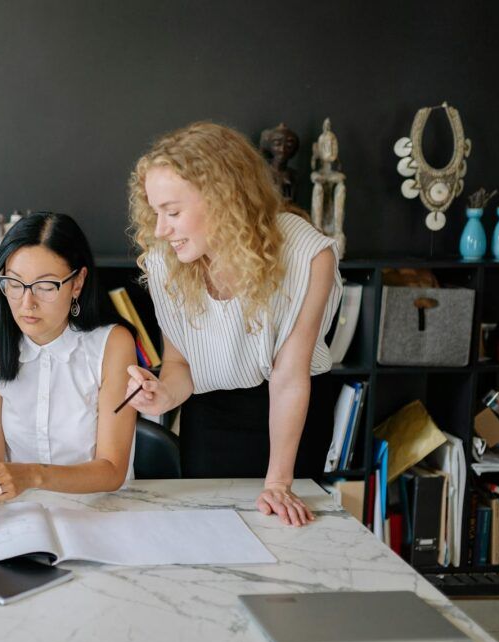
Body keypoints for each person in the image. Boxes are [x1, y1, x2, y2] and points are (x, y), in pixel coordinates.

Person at [124, 121, 343, 527]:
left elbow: (290, 376)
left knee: (285, 538)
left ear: (223, 200)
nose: (159, 229)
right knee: (212, 540)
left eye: (172, 212)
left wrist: (278, 481)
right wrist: (161, 396)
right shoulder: (165, 261)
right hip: (211, 417)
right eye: (155, 212)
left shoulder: (307, 255)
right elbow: (179, 367)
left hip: (292, 417)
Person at [0, 212, 137, 532]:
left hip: (102, 513)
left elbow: (111, 469)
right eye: (13, 284)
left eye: (45, 286)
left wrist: (31, 475)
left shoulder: (112, 343)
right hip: (21, 514)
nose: (26, 303)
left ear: (78, 282)